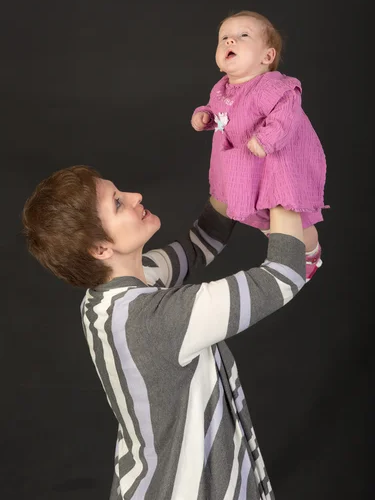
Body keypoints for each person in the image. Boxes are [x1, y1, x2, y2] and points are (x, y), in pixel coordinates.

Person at [22, 164, 306, 500]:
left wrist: (236, 168)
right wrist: (283, 175)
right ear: (100, 249)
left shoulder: (105, 298)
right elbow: (283, 276)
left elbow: (197, 247)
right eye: (117, 203)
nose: (135, 197)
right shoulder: (153, 320)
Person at [191, 10, 329, 281]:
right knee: (262, 215)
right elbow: (218, 110)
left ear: (267, 57)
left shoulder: (272, 86)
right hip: (251, 163)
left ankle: (310, 251)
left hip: (280, 160)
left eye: (243, 36)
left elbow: (286, 114)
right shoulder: (222, 87)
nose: (230, 41)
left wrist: (266, 139)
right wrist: (204, 115)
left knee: (291, 217)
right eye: (224, 38)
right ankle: (280, 242)